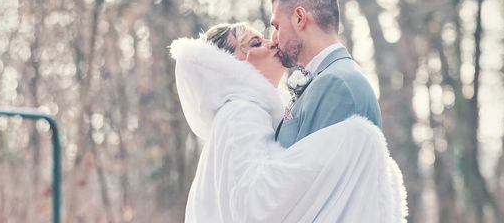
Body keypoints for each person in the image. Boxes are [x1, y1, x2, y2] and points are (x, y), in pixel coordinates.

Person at [170, 22, 406, 222]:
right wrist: (352, 141)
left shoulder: (246, 111)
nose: (272, 42)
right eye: (255, 43)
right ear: (232, 65)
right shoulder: (239, 113)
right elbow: (252, 205)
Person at [270, 0, 382, 147]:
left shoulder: (335, 83)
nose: (274, 38)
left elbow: (311, 171)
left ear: (299, 17)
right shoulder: (332, 77)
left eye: (277, 26)